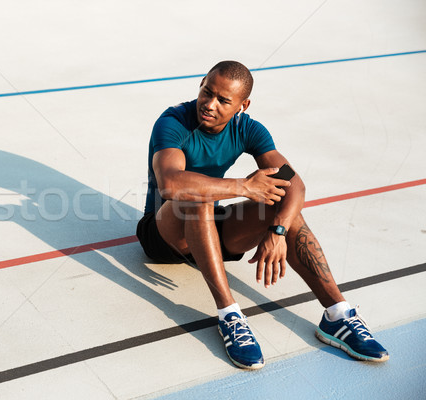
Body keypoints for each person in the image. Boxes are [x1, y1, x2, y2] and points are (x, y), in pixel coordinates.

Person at [136, 60, 389, 369]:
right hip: (164, 234)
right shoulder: (174, 121)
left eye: (223, 100)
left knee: (282, 205)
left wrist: (278, 230)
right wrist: (244, 186)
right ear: (201, 84)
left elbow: (294, 184)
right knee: (197, 195)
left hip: (211, 232)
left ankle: (337, 314)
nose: (209, 104)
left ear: (243, 105)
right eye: (207, 92)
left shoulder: (248, 129)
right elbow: (171, 183)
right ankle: (230, 316)